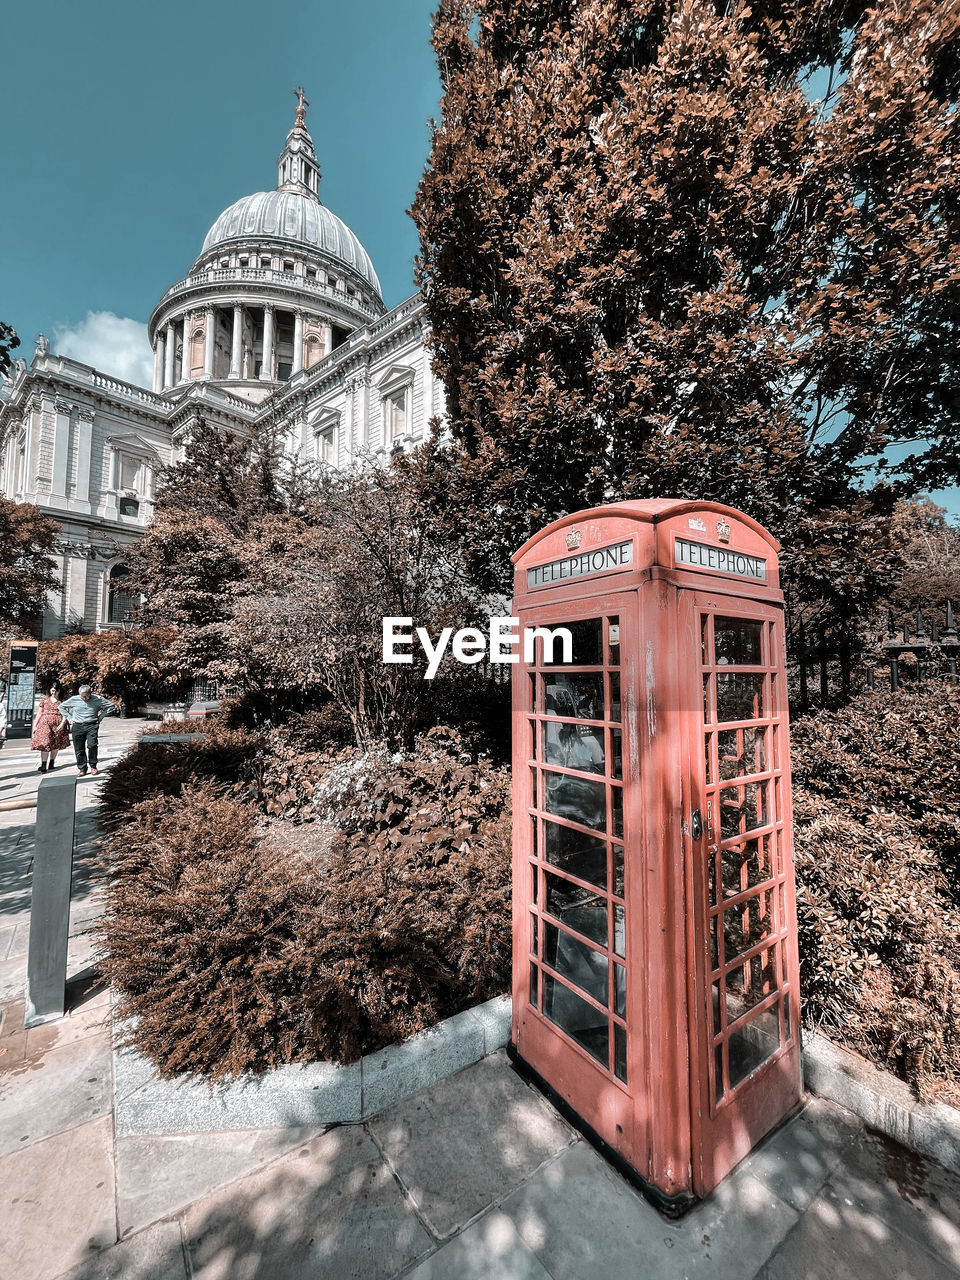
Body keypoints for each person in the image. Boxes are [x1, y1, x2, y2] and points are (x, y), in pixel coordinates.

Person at [56, 685, 116, 776]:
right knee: (79, 748)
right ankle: (82, 768)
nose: (84, 698)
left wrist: (101, 717)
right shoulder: (74, 699)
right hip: (77, 726)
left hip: (91, 725)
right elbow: (61, 707)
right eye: (82, 696)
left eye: (85, 696)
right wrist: (69, 718)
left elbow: (111, 706)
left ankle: (93, 766)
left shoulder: (97, 699)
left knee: (92, 745)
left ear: (90, 693)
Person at [30, 683, 71, 772]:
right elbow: (39, 713)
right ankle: (43, 764)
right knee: (45, 743)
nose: (53, 692)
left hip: (57, 723)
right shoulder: (45, 700)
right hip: (44, 723)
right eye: (52, 690)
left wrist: (62, 724)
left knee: (55, 743)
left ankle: (51, 762)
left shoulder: (62, 701)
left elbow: (65, 714)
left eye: (55, 691)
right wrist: (35, 726)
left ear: (59, 691)